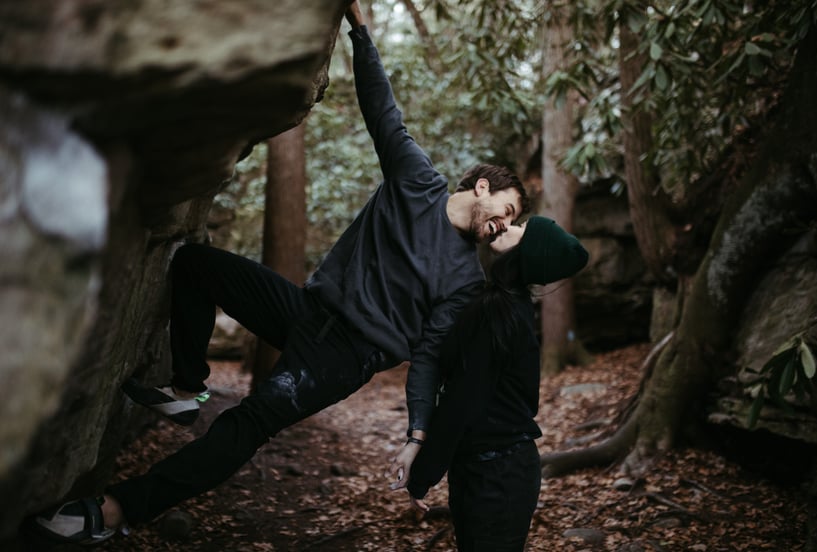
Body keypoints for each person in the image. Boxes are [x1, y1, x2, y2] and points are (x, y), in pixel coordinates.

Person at [27, 0, 529, 544]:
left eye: (513, 223)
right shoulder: (417, 181)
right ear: (483, 186)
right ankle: (187, 386)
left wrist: (417, 433)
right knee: (194, 263)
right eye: (508, 210)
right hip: (306, 310)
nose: (505, 224)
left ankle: (116, 510)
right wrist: (359, 28)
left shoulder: (464, 280)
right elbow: (382, 109)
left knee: (247, 424)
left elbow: (430, 354)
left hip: (343, 358)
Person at [402, 216, 589, 551]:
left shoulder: (500, 313)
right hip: (487, 469)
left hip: (499, 476)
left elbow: (461, 401)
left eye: (521, 229)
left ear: (526, 253)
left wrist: (421, 478)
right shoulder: (502, 305)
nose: (509, 226)